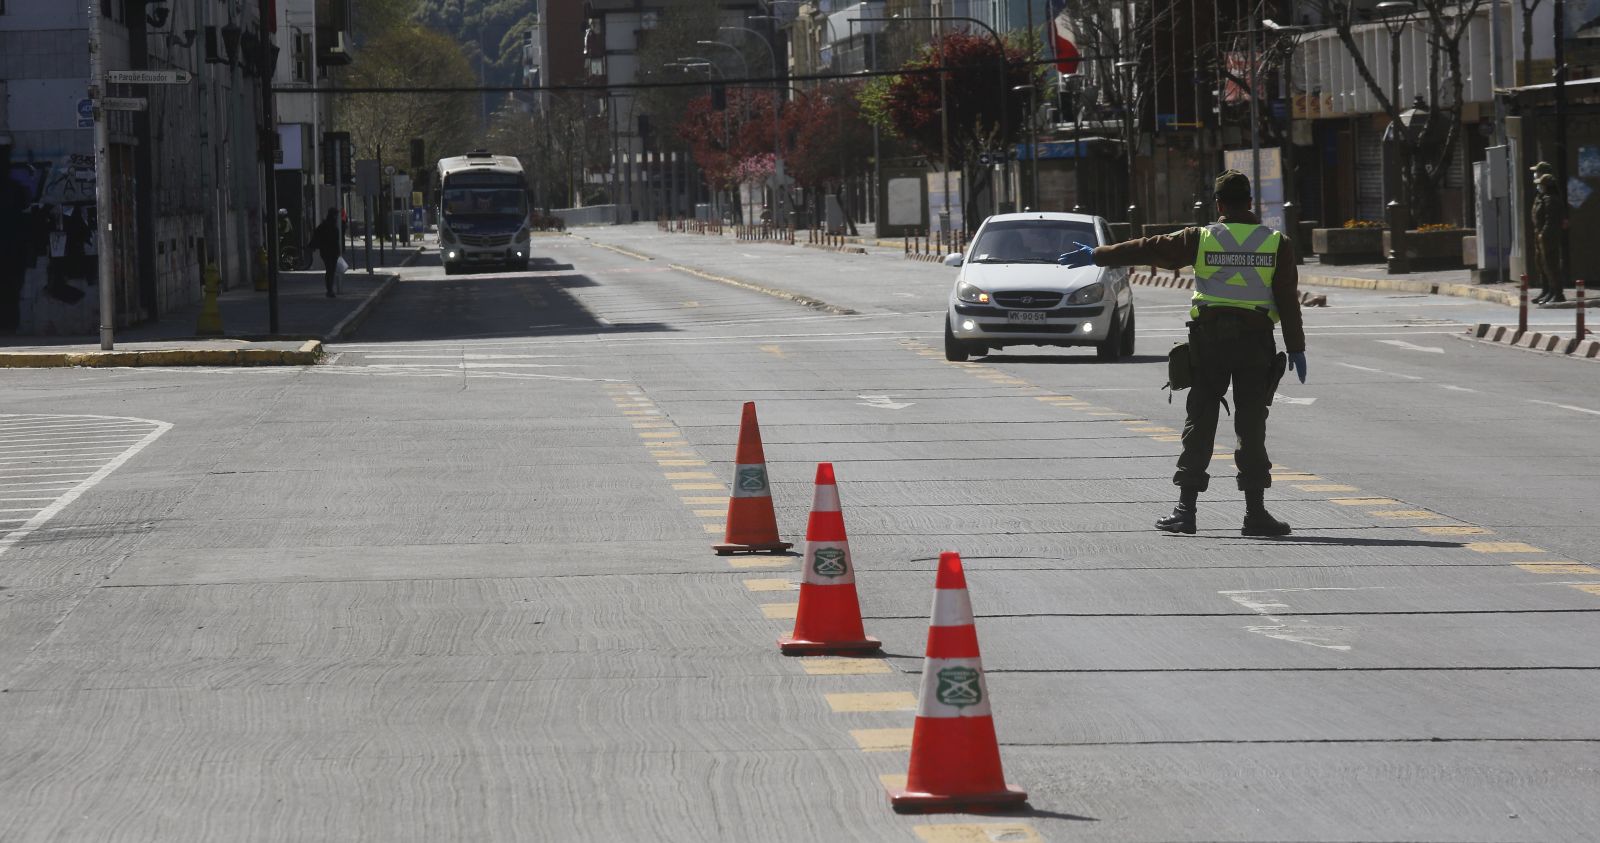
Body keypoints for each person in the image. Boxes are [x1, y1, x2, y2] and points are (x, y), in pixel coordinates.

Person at [1061, 170, 1307, 536]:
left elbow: (1150, 246)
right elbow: (1287, 300)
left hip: (1209, 343)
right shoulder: (1276, 243)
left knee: (1201, 422)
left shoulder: (1201, 237)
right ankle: (1255, 513)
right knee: (1252, 426)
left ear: (1219, 204)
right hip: (1256, 344)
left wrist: (1099, 255)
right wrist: (1297, 347)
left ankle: (1185, 511)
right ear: (1250, 203)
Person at [1530, 167, 1565, 305]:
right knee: (1543, 264)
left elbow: (1551, 220)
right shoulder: (1543, 198)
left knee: (1552, 265)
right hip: (1541, 236)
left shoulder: (1551, 199)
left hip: (1548, 237)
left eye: (1542, 184)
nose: (1540, 187)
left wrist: (1543, 234)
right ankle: (1550, 291)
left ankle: (1557, 293)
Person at [306, 207, 343, 298]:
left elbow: (335, 240)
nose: (337, 217)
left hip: (330, 252)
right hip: (328, 251)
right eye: (335, 215)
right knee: (330, 270)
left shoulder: (330, 226)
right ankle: (329, 290)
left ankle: (330, 289)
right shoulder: (326, 226)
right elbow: (317, 236)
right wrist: (312, 246)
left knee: (331, 270)